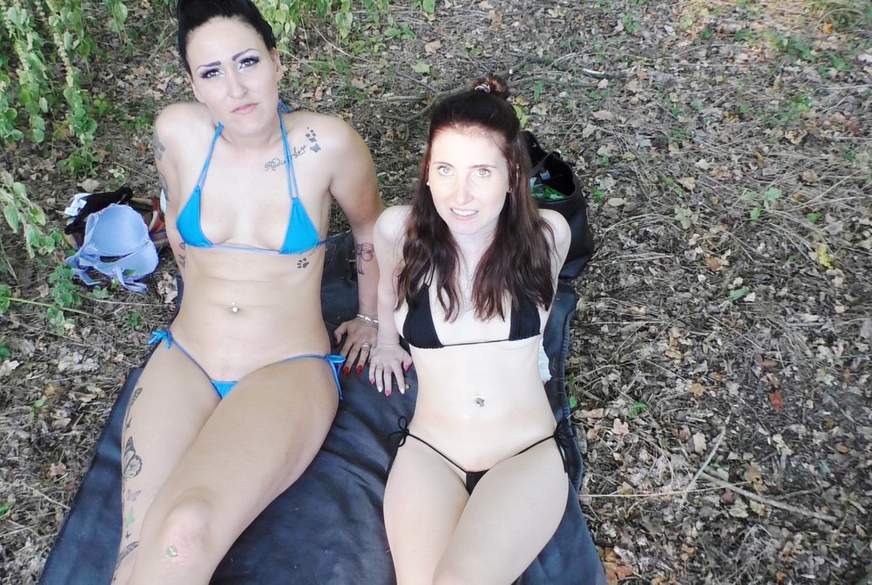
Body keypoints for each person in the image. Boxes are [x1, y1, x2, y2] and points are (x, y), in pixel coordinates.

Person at [112, 1, 382, 582]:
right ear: (194, 85)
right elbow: (177, 226)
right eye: (212, 72)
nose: (235, 88)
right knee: (134, 551)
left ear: (276, 62)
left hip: (284, 367)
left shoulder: (326, 144)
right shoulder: (176, 133)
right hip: (186, 356)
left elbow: (370, 230)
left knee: (183, 532)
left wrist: (371, 318)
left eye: (247, 62)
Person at [369, 75, 574, 584]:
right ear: (427, 173)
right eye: (445, 170)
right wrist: (386, 342)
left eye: (481, 172)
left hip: (523, 452)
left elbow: (543, 308)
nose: (460, 195)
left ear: (512, 175)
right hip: (430, 451)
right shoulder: (398, 231)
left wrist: (534, 356)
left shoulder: (548, 237)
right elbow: (387, 292)